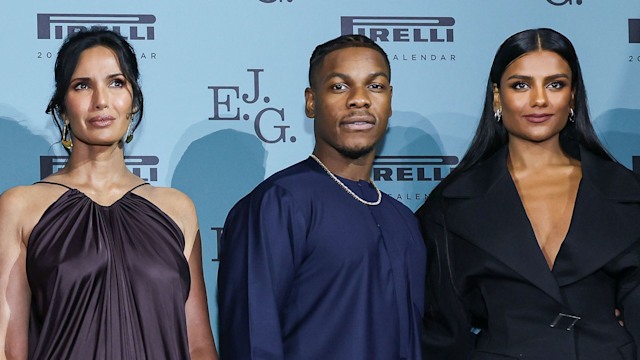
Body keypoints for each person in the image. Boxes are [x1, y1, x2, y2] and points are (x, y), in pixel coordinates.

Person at [417, 28, 640, 359]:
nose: (539, 99)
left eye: (555, 84)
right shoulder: (451, 204)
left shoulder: (626, 192)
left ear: (573, 96)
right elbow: (443, 334)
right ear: (497, 96)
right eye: (520, 85)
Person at [0, 29, 218, 359]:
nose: (101, 100)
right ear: (62, 108)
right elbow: (8, 349)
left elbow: (198, 345)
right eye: (82, 85)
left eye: (116, 82)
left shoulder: (177, 209)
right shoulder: (20, 206)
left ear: (134, 102)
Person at [218, 34, 426, 359]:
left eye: (375, 86)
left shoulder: (404, 220)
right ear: (311, 102)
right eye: (339, 86)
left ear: (389, 100)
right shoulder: (278, 203)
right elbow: (252, 339)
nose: (360, 99)